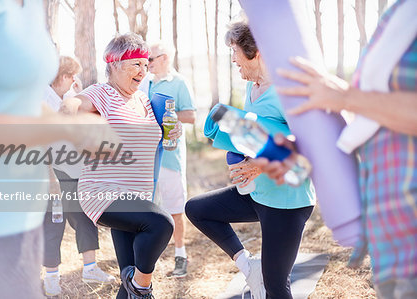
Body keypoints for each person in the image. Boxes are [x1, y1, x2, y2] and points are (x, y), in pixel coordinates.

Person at [255, 1, 417, 298]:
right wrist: (310, 153)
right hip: (392, 252)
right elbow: (380, 129)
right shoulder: (398, 15)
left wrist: (346, 95)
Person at [0, 1, 117, 298]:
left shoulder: (30, 8)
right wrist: (66, 129)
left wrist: (83, 129)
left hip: (22, 220)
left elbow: (22, 101)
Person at [185, 21, 316, 299]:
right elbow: (258, 135)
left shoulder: (286, 91)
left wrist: (257, 165)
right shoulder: (252, 88)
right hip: (258, 194)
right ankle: (249, 266)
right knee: (197, 209)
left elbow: (310, 144)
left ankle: (263, 275)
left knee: (276, 287)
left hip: (287, 202)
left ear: (255, 52)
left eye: (234, 51)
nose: (232, 58)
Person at [65, 33, 182, 299]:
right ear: (115, 64)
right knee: (162, 224)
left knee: (128, 281)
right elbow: (73, 104)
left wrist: (170, 133)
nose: (144, 70)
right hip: (103, 192)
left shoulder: (142, 100)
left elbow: (150, 136)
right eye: (136, 65)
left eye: (145, 64)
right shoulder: (102, 93)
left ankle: (135, 288)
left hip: (137, 196)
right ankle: (143, 286)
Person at [42, 56, 115, 296]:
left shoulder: (67, 97)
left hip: (72, 168)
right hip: (49, 170)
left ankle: (90, 267)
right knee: (54, 222)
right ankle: (51, 277)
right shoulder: (42, 99)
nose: (75, 80)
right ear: (63, 76)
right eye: (72, 76)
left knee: (84, 215)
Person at [141, 42, 196, 277]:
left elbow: (191, 116)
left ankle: (180, 255)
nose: (147, 64)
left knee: (175, 207)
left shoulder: (180, 82)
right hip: (146, 157)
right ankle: (146, 256)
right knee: (146, 208)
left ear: (164, 58)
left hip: (171, 156)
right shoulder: (143, 82)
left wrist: (167, 114)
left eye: (150, 60)